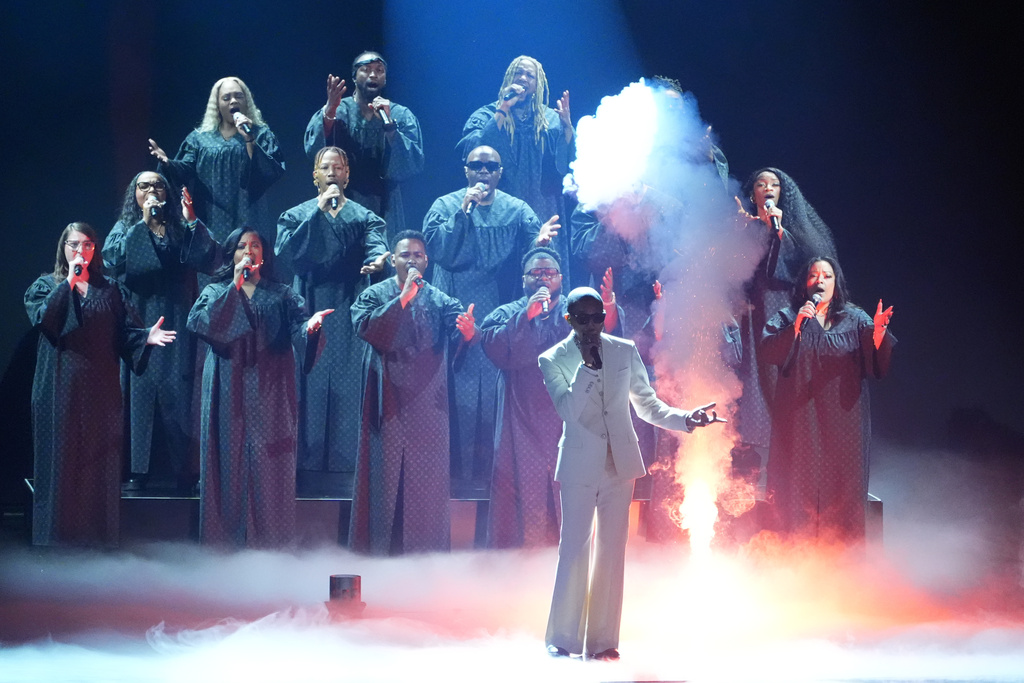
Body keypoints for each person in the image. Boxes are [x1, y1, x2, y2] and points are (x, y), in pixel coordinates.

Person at [540, 287, 724, 660]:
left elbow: (647, 405)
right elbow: (569, 411)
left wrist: (685, 418)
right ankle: (563, 639)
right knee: (573, 549)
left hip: (619, 464)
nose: (592, 325)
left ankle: (604, 642)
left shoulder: (623, 350)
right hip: (578, 464)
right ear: (569, 319)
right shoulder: (553, 359)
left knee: (612, 551)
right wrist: (588, 369)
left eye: (598, 317)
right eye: (583, 318)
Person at [25, 223, 176, 547]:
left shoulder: (111, 290)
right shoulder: (45, 286)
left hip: (101, 388)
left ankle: (98, 540)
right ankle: (55, 541)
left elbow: (124, 335)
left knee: (99, 462)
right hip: (58, 388)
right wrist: (70, 283)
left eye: (88, 245)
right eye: (75, 244)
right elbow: (46, 321)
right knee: (60, 465)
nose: (81, 251)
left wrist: (144, 338)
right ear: (63, 247)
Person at [187, 228, 332, 549]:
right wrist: (235, 287)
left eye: (255, 245)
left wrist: (310, 328)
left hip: (271, 385)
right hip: (228, 384)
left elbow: (300, 326)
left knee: (270, 461)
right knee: (227, 459)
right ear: (232, 255)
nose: (248, 251)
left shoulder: (282, 293)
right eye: (241, 246)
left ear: (264, 255)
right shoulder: (216, 290)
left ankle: (272, 544)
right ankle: (223, 544)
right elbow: (199, 323)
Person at [423, 145, 559, 481]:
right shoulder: (444, 205)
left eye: (491, 166)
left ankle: (487, 472)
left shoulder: (516, 209)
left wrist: (540, 244)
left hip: (491, 307)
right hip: (448, 303)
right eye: (477, 165)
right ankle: (448, 472)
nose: (484, 172)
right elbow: (437, 250)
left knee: (486, 386)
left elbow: (538, 260)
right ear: (466, 170)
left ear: (500, 172)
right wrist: (462, 212)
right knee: (446, 386)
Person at [481, 248, 620, 548]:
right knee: (521, 489)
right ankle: (519, 569)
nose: (543, 277)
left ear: (560, 278)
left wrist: (608, 308)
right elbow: (493, 348)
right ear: (524, 280)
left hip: (568, 415)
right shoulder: (506, 313)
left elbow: (600, 343)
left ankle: (573, 563)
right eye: (536, 273)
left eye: (550, 273)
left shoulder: (576, 312)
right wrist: (525, 317)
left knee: (571, 489)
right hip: (519, 415)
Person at [349, 230, 476, 555]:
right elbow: (365, 328)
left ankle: (426, 561)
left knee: (427, 485)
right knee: (383, 479)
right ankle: (376, 556)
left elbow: (459, 330)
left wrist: (467, 333)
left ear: (427, 261)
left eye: (418, 255)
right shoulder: (374, 294)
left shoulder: (441, 299)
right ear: (393, 260)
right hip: (386, 399)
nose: (412, 260)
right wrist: (403, 299)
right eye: (405, 255)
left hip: (428, 404)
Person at [760, 256, 895, 543]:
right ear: (804, 284)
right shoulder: (788, 316)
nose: (819, 280)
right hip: (798, 424)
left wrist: (880, 333)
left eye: (827, 276)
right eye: (813, 276)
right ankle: (792, 567)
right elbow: (768, 351)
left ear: (836, 283)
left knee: (842, 497)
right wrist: (796, 326)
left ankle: (841, 574)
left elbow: (876, 364)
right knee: (795, 494)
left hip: (844, 425)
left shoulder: (856, 319)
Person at [102, 171, 221, 491]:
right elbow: (113, 261)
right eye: (144, 186)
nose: (152, 191)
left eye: (158, 186)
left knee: (181, 396)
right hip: (137, 320)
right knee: (137, 395)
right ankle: (136, 471)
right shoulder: (126, 226)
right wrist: (144, 225)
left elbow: (212, 259)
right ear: (134, 194)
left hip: (177, 321)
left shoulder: (181, 228)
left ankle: (184, 472)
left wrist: (193, 220)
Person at [275, 146, 389, 476]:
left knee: (348, 378)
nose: (332, 173)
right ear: (314, 176)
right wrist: (317, 213)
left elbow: (376, 246)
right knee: (307, 376)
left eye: (338, 168)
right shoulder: (296, 214)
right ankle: (304, 461)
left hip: (348, 300)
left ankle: (345, 463)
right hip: (307, 301)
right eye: (325, 168)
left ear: (347, 175)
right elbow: (286, 253)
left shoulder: (365, 216)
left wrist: (380, 258)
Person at [726, 168, 839, 492]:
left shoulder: (792, 232)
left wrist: (778, 233)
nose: (767, 188)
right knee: (750, 394)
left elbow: (803, 272)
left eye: (774, 184)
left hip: (783, 316)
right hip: (750, 319)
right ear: (753, 192)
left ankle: (789, 481)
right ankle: (745, 482)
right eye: (761, 183)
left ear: (783, 193)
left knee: (783, 389)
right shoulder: (741, 228)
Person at [457, 56, 573, 272]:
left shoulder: (550, 118)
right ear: (508, 78)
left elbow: (564, 168)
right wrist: (503, 109)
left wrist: (567, 128)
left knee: (541, 266)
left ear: (538, 84)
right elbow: (476, 151)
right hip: (500, 205)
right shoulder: (486, 114)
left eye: (530, 75)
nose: (523, 78)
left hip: (542, 204)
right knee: (505, 272)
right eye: (518, 72)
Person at [304, 52, 424, 242]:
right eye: (365, 70)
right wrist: (328, 113)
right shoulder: (338, 110)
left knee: (382, 261)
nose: (373, 75)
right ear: (354, 76)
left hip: (386, 204)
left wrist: (390, 127)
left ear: (385, 79)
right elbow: (314, 151)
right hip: (342, 198)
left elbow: (412, 163)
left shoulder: (400, 115)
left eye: (379, 70)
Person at [149, 76, 285, 242]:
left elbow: (269, 172)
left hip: (250, 213)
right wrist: (168, 163)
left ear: (246, 101)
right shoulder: (199, 139)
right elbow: (185, 170)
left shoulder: (260, 134)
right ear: (217, 105)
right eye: (226, 98)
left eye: (238, 96)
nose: (233, 101)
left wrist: (250, 139)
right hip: (211, 216)